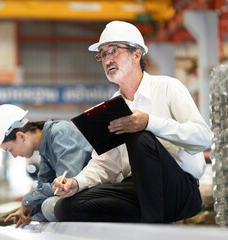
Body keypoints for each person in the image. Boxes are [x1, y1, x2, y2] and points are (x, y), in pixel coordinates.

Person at [52, 20, 212, 223]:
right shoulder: (110, 107)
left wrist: (148, 123)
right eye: (102, 54)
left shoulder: (168, 87)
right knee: (66, 208)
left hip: (178, 190)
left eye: (113, 50)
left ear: (137, 54)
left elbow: (203, 138)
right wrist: (76, 182)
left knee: (139, 136)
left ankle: (152, 232)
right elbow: (105, 164)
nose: (107, 59)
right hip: (137, 190)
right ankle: (146, 221)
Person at [0, 104, 93, 227]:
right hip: (81, 195)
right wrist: (29, 207)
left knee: (49, 206)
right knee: (39, 209)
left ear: (21, 136)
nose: (14, 155)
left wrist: (28, 200)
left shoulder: (60, 133)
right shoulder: (45, 147)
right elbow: (43, 184)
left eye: (10, 150)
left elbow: (65, 184)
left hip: (95, 191)